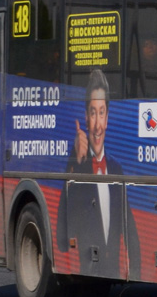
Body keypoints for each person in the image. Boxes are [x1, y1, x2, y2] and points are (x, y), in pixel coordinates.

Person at [56, 69, 139, 280]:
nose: (98, 125)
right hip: (87, 273)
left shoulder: (117, 169)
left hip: (113, 272)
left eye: (101, 112)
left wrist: (137, 272)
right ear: (85, 118)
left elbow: (129, 230)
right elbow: (62, 238)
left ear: (108, 117)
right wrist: (74, 161)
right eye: (93, 113)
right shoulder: (78, 167)